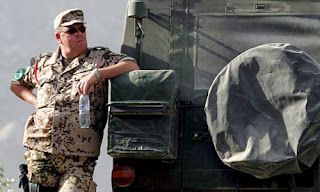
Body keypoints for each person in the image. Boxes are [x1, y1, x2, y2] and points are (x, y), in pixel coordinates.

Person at [10, 8, 139, 192]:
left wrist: (97, 75)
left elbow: (131, 65)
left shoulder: (100, 58)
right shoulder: (44, 64)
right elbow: (17, 84)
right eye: (72, 31)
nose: (79, 33)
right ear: (59, 37)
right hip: (41, 150)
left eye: (81, 29)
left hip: (79, 157)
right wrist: (35, 102)